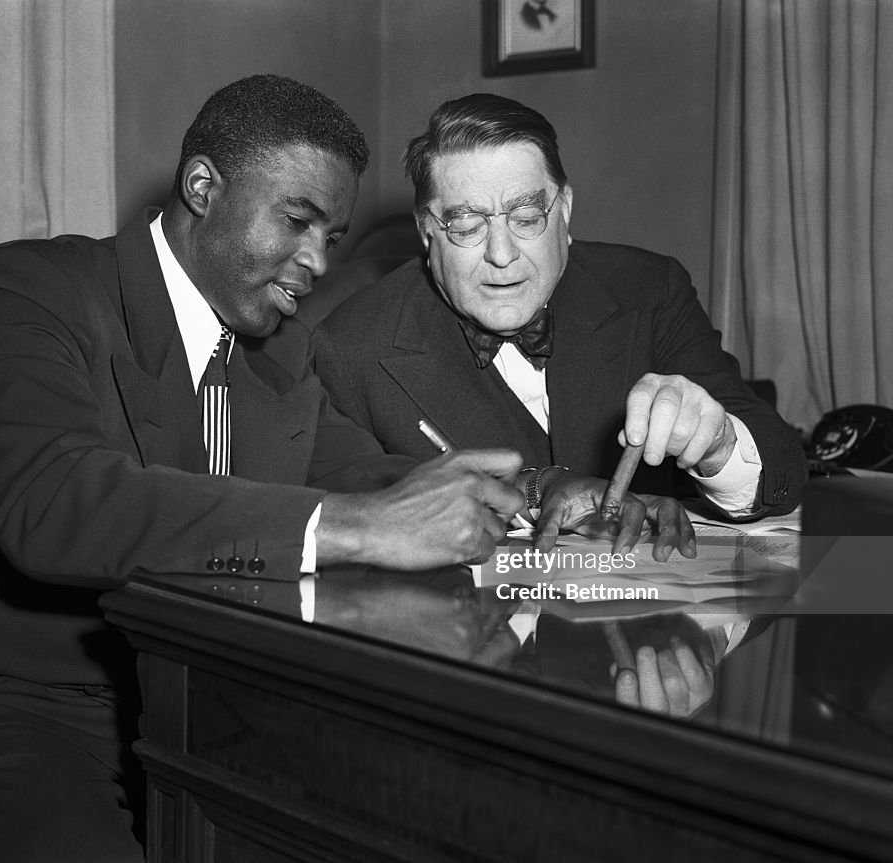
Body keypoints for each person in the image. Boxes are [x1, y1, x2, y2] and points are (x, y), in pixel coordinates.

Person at [0, 75, 537, 863]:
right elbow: (51, 500)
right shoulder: (25, 289)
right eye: (299, 220)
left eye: (333, 237)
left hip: (201, 697)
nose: (318, 260)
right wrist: (359, 527)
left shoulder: (281, 350)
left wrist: (541, 495)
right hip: (0, 696)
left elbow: (359, 470)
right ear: (202, 187)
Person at [311, 93, 809, 715]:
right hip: (467, 701)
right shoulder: (349, 346)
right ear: (426, 231)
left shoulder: (650, 291)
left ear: (565, 210)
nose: (500, 254)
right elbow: (344, 524)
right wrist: (535, 487)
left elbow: (784, 473)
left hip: (648, 665)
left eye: (526, 217)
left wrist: (718, 445)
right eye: (466, 225)